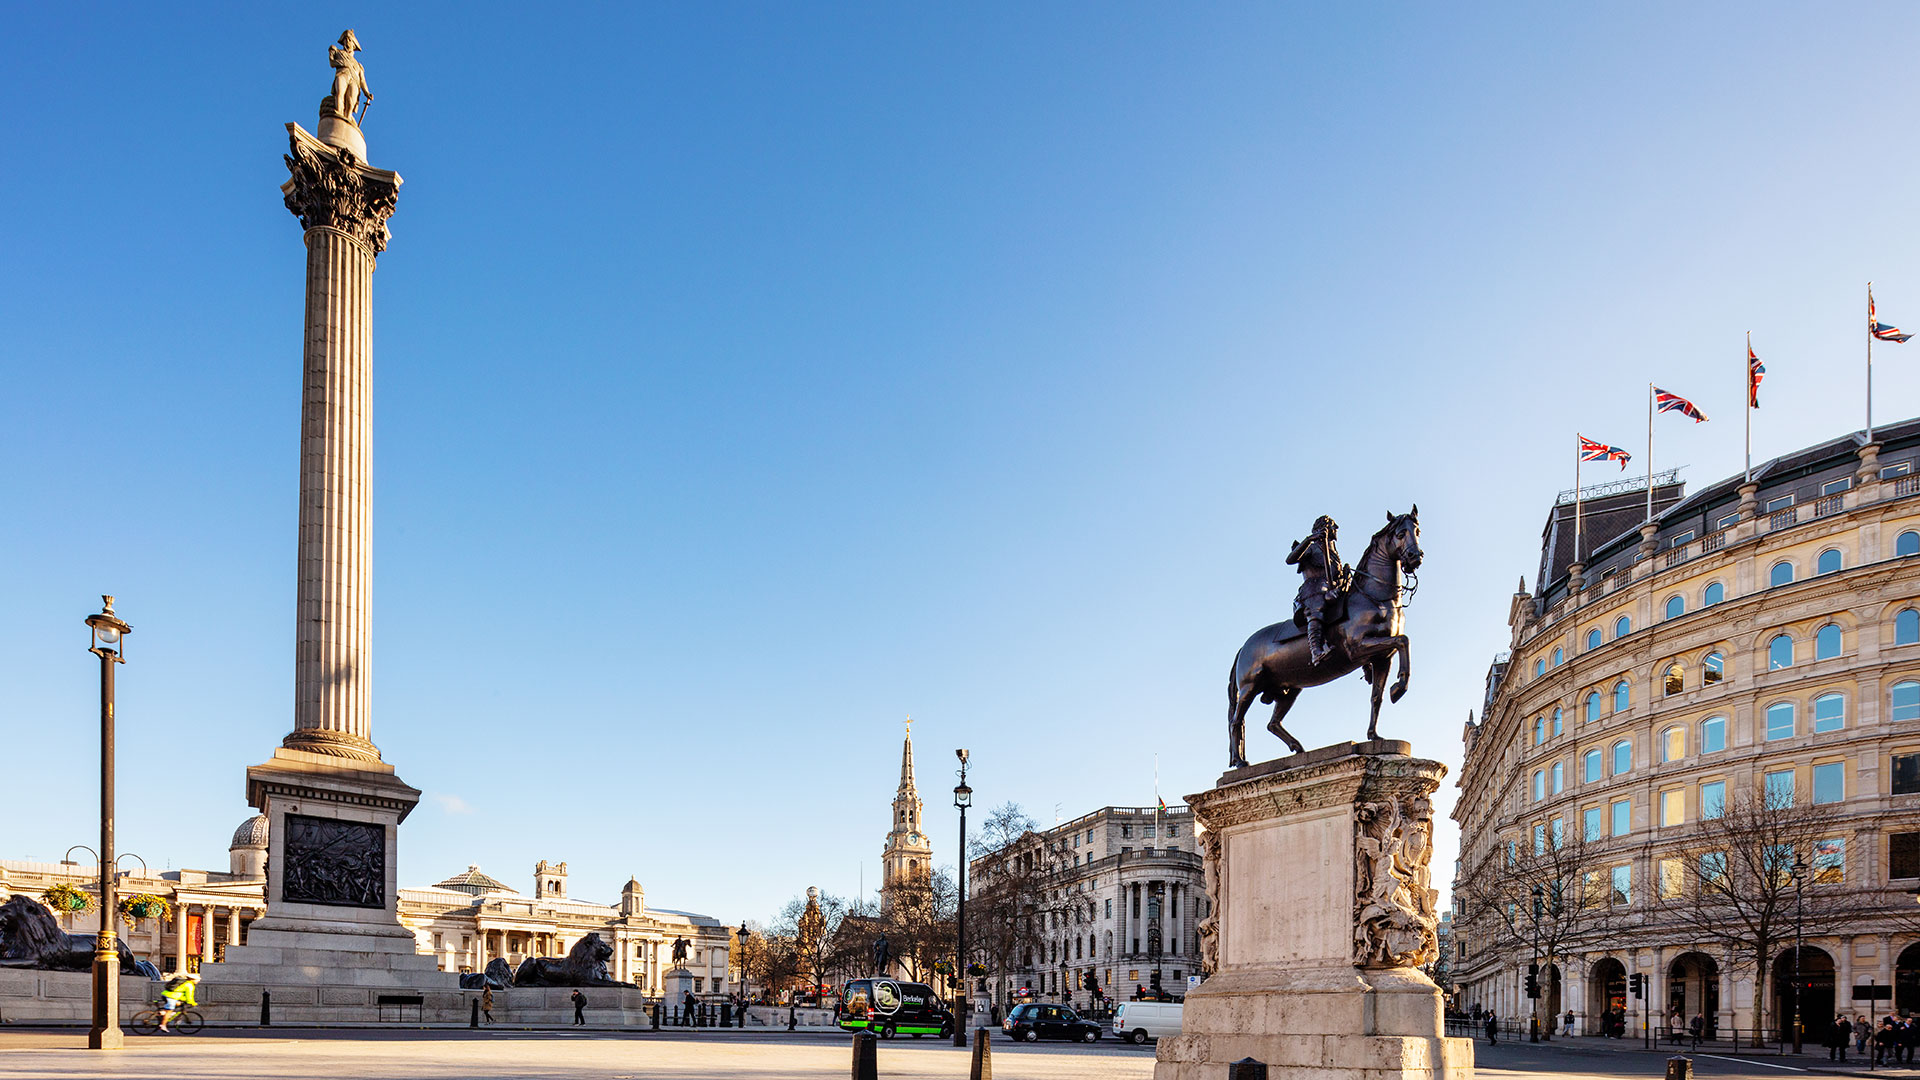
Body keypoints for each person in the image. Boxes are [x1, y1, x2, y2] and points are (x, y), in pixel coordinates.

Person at [1288, 515, 1350, 667]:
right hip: (1314, 590)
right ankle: (1316, 651)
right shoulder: (1312, 547)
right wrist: (1310, 539)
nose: (1336, 529)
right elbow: (1290, 559)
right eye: (1334, 526)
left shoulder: (1332, 552)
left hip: (1330, 589)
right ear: (1326, 527)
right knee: (1317, 607)